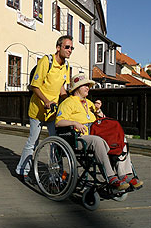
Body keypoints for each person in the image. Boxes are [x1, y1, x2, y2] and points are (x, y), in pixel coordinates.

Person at [55, 72, 143, 190]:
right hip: (78, 138)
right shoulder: (68, 103)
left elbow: (101, 122)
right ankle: (111, 176)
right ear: (77, 88)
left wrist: (98, 111)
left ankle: (125, 175)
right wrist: (75, 123)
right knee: (98, 141)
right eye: (85, 85)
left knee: (120, 139)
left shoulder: (89, 103)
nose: (88, 88)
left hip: (95, 133)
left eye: (88, 85)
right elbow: (58, 122)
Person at [16, 35, 73, 181]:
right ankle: (22, 170)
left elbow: (60, 86)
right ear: (58, 47)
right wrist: (46, 101)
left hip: (53, 112)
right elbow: (34, 86)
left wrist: (67, 99)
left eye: (72, 48)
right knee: (33, 141)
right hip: (38, 110)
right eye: (67, 47)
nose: (70, 50)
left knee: (56, 142)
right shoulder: (46, 61)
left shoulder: (65, 66)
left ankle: (56, 175)